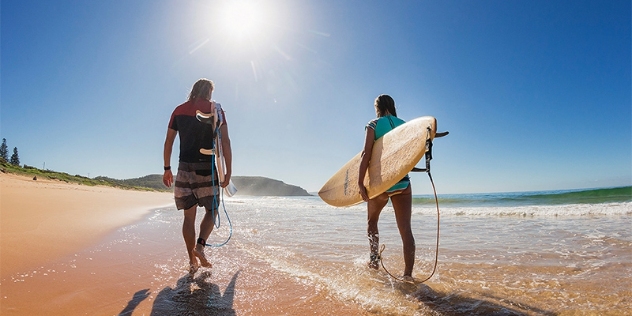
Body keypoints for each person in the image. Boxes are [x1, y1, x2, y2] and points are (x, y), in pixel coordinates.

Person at [163, 78, 233, 273]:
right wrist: (228, 171)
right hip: (206, 168)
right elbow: (225, 141)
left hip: (183, 168)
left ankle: (191, 261)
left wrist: (167, 168)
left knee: (188, 217)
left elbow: (168, 141)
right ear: (209, 92)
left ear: (193, 90)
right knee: (213, 209)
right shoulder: (216, 110)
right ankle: (200, 246)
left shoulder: (178, 110)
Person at [358, 94, 415, 280]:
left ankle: (374, 261)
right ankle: (408, 275)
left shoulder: (373, 124)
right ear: (392, 105)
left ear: (378, 107)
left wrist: (360, 182)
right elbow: (410, 157)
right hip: (402, 183)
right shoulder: (405, 125)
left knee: (371, 223)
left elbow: (367, 154)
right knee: (406, 230)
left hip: (381, 185)